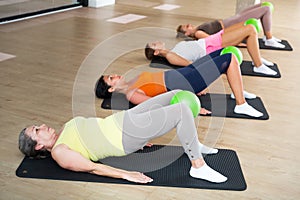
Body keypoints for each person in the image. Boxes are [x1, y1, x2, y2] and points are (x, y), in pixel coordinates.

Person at [19, 90, 228, 184]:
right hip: (124, 136)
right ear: (37, 146)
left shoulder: (66, 128)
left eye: (38, 126)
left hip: (124, 120)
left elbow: (95, 130)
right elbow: (93, 167)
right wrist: (124, 174)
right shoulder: (60, 152)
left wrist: (142, 137)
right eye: (37, 130)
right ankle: (198, 167)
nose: (43, 126)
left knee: (175, 95)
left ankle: (194, 144)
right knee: (181, 110)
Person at [96, 49, 263, 118]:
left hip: (184, 73)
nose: (115, 75)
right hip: (187, 82)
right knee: (229, 59)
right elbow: (157, 103)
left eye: (112, 75)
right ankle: (241, 104)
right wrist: (191, 105)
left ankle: (237, 91)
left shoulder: (132, 80)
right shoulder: (131, 94)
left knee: (223, 51)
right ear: (111, 89)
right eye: (111, 78)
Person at [147, 23, 277, 76]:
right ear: (156, 52)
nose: (156, 42)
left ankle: (257, 59)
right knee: (250, 29)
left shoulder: (173, 49)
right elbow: (191, 65)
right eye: (154, 44)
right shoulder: (170, 56)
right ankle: (258, 65)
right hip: (211, 46)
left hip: (209, 41)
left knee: (244, 26)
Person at [177, 2, 285, 48]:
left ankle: (268, 36)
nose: (189, 24)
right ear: (186, 33)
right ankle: (269, 39)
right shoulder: (198, 33)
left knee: (262, 5)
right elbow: (215, 41)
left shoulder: (198, 28)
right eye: (186, 27)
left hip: (232, 19)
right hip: (233, 23)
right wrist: (236, 42)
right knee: (265, 9)